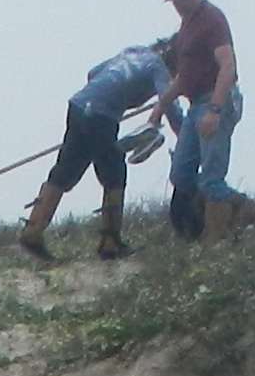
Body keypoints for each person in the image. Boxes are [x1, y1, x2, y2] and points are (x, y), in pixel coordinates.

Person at [18, 38, 171, 262]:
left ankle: (32, 232)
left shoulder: (132, 51)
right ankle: (110, 243)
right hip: (102, 116)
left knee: (64, 171)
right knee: (114, 175)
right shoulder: (158, 68)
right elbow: (168, 99)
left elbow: (93, 73)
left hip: (79, 105)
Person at [158, 0, 243, 242]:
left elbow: (228, 66)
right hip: (195, 104)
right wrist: (158, 109)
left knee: (211, 177)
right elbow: (184, 77)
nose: (178, 5)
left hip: (215, 100)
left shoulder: (212, 19)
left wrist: (215, 109)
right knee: (181, 173)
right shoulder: (185, 29)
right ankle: (230, 213)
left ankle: (217, 237)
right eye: (174, 1)